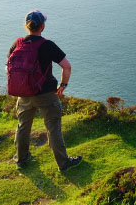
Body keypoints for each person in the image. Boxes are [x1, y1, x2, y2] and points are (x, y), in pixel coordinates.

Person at [9, 10, 82, 172]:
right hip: (46, 94)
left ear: (26, 26)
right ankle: (63, 164)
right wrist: (63, 86)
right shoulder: (47, 45)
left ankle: (21, 160)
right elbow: (67, 66)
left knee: (23, 127)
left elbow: (9, 66)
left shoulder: (17, 43)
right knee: (53, 128)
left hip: (24, 94)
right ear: (42, 26)